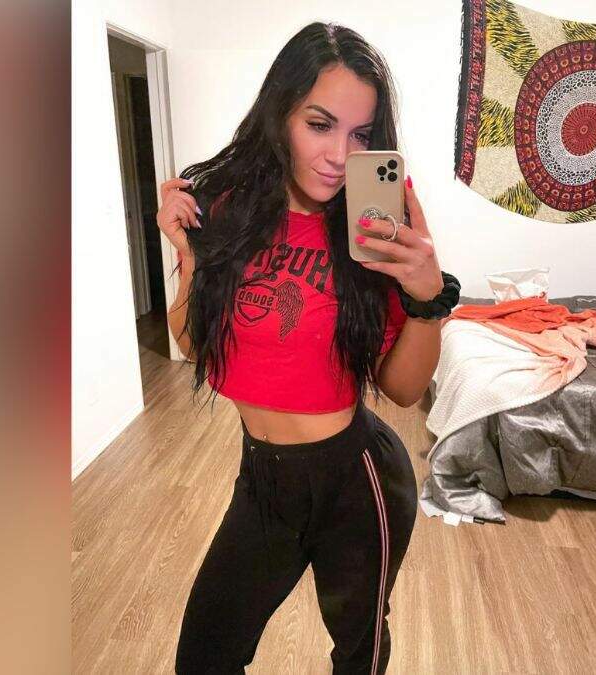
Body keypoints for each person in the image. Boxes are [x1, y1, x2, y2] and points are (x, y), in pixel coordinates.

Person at [157, 21, 460, 674]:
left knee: (358, 652)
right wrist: (188, 257)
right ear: (281, 114)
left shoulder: (373, 230)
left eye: (361, 135)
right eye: (320, 124)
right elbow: (197, 347)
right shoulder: (230, 211)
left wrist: (427, 299)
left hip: (357, 479)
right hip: (262, 479)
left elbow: (403, 389)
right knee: (203, 655)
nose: (339, 155)